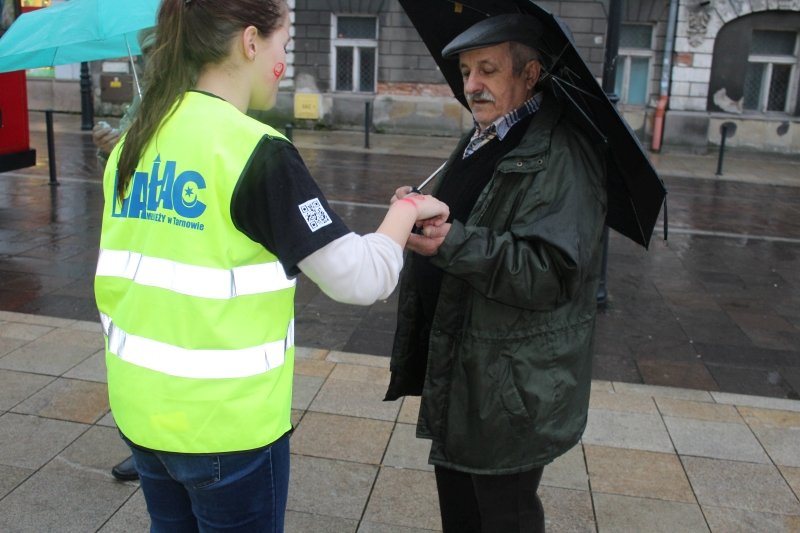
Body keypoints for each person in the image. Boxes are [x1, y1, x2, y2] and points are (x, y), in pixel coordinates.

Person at [94, 0, 448, 530]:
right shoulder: (254, 151)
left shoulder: (135, 141)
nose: (284, 61)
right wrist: (407, 209)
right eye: (284, 45)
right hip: (225, 428)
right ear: (251, 41)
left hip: (141, 411)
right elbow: (362, 277)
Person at [385, 14, 607, 533]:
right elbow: (466, 211)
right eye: (465, 72)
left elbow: (551, 271)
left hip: (512, 381)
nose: (471, 86)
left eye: (487, 70)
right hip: (465, 365)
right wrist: (421, 209)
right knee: (459, 508)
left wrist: (452, 240)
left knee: (503, 512)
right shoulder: (481, 137)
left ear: (530, 75)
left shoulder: (563, 153)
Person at [91, 28, 156, 484]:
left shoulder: (194, 100)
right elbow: (120, 176)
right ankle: (144, 445)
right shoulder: (143, 101)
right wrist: (110, 150)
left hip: (165, 243)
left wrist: (129, 150)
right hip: (134, 244)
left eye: (156, 52)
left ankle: (157, 447)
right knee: (134, 351)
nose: (150, 61)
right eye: (146, 54)